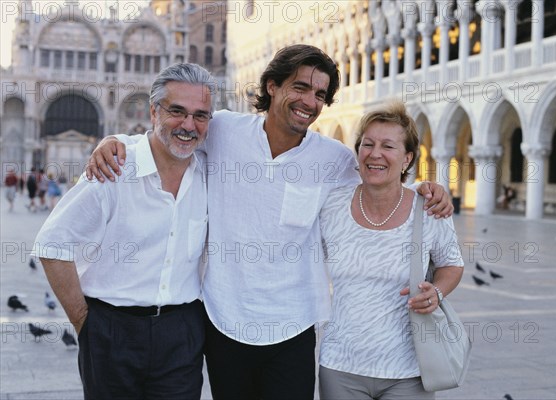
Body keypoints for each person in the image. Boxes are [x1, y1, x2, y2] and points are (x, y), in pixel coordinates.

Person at [86, 45, 453, 399]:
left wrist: (427, 188)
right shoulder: (226, 130)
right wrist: (116, 141)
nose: (310, 101)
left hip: (292, 327)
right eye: (300, 87)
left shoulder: (334, 158)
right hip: (222, 321)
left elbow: (379, 175)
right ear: (272, 86)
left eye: (320, 94)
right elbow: (174, 131)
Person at [32, 63, 215, 399]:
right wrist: (85, 323)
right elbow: (52, 244)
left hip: (182, 332)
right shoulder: (113, 169)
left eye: (200, 115)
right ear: (153, 112)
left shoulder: (211, 172)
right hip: (111, 330)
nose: (189, 125)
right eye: (177, 111)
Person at [318, 101, 464, 399]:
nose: (375, 154)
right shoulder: (331, 204)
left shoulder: (429, 208)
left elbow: (452, 264)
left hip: (409, 370)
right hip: (340, 365)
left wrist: (435, 293)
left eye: (388, 146)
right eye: (367, 144)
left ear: (408, 157)